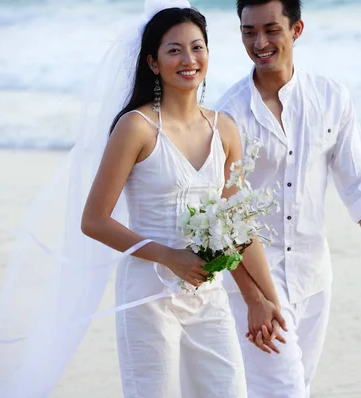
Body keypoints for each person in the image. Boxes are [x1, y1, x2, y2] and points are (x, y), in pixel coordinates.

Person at [80, 4, 284, 398]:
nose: (189, 60)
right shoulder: (136, 127)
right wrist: (168, 255)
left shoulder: (224, 128)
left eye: (197, 47)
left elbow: (237, 228)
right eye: (174, 50)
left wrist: (264, 300)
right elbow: (94, 220)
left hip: (207, 298)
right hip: (147, 296)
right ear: (153, 63)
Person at [216, 0, 361, 396]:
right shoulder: (227, 114)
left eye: (271, 29)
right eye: (249, 32)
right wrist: (252, 298)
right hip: (257, 278)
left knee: (298, 386)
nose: (259, 42)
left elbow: (359, 183)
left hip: (315, 274)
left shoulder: (332, 98)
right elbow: (223, 219)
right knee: (285, 390)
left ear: (297, 29)